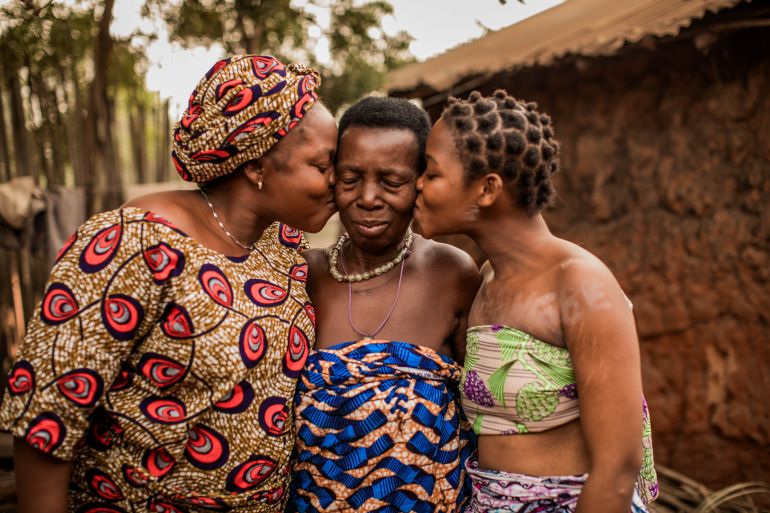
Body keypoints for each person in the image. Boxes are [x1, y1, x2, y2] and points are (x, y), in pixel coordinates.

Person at [0, 55, 337, 513]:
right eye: (323, 165)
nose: (339, 182)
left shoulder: (282, 245)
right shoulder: (132, 243)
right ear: (257, 167)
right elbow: (46, 417)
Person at [412, 90, 658, 513]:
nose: (417, 183)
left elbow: (618, 467)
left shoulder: (580, 284)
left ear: (487, 188)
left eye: (431, 173)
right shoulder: (487, 277)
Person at [288, 97, 480, 513]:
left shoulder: (452, 274)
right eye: (351, 178)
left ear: (420, 183)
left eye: (391, 182)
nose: (368, 198)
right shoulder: (301, 276)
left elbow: (483, 413)